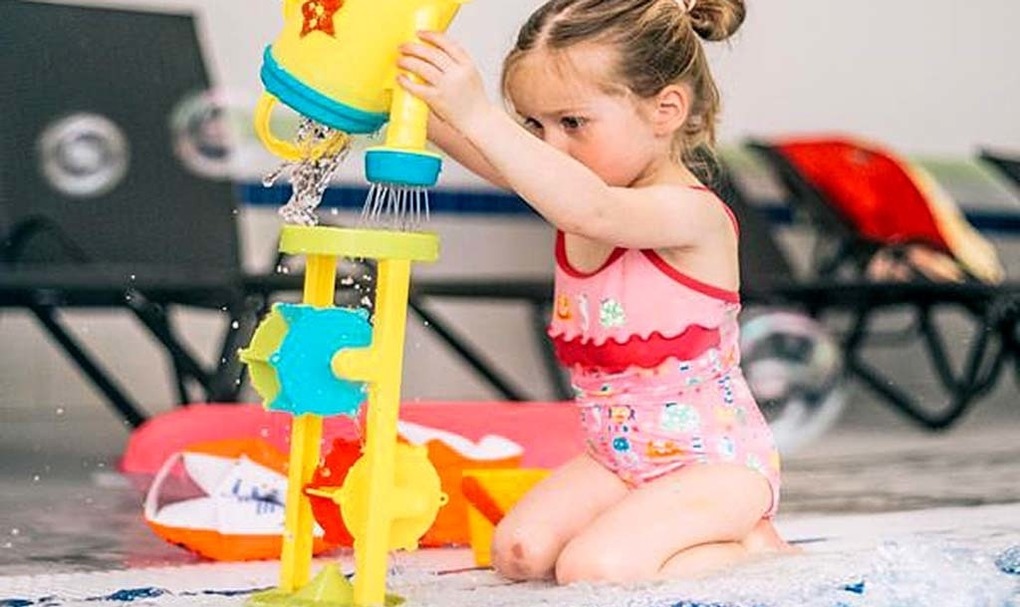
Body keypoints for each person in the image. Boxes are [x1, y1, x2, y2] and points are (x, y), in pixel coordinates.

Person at [397, 0, 793, 584]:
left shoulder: (687, 214)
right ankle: (660, 533)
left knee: (593, 568)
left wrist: (478, 111)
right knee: (519, 552)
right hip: (617, 461)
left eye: (573, 123)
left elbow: (591, 209)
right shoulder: (576, 185)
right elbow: (501, 160)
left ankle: (754, 547)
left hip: (716, 468)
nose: (550, 147)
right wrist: (397, 99)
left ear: (665, 110)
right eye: (534, 126)